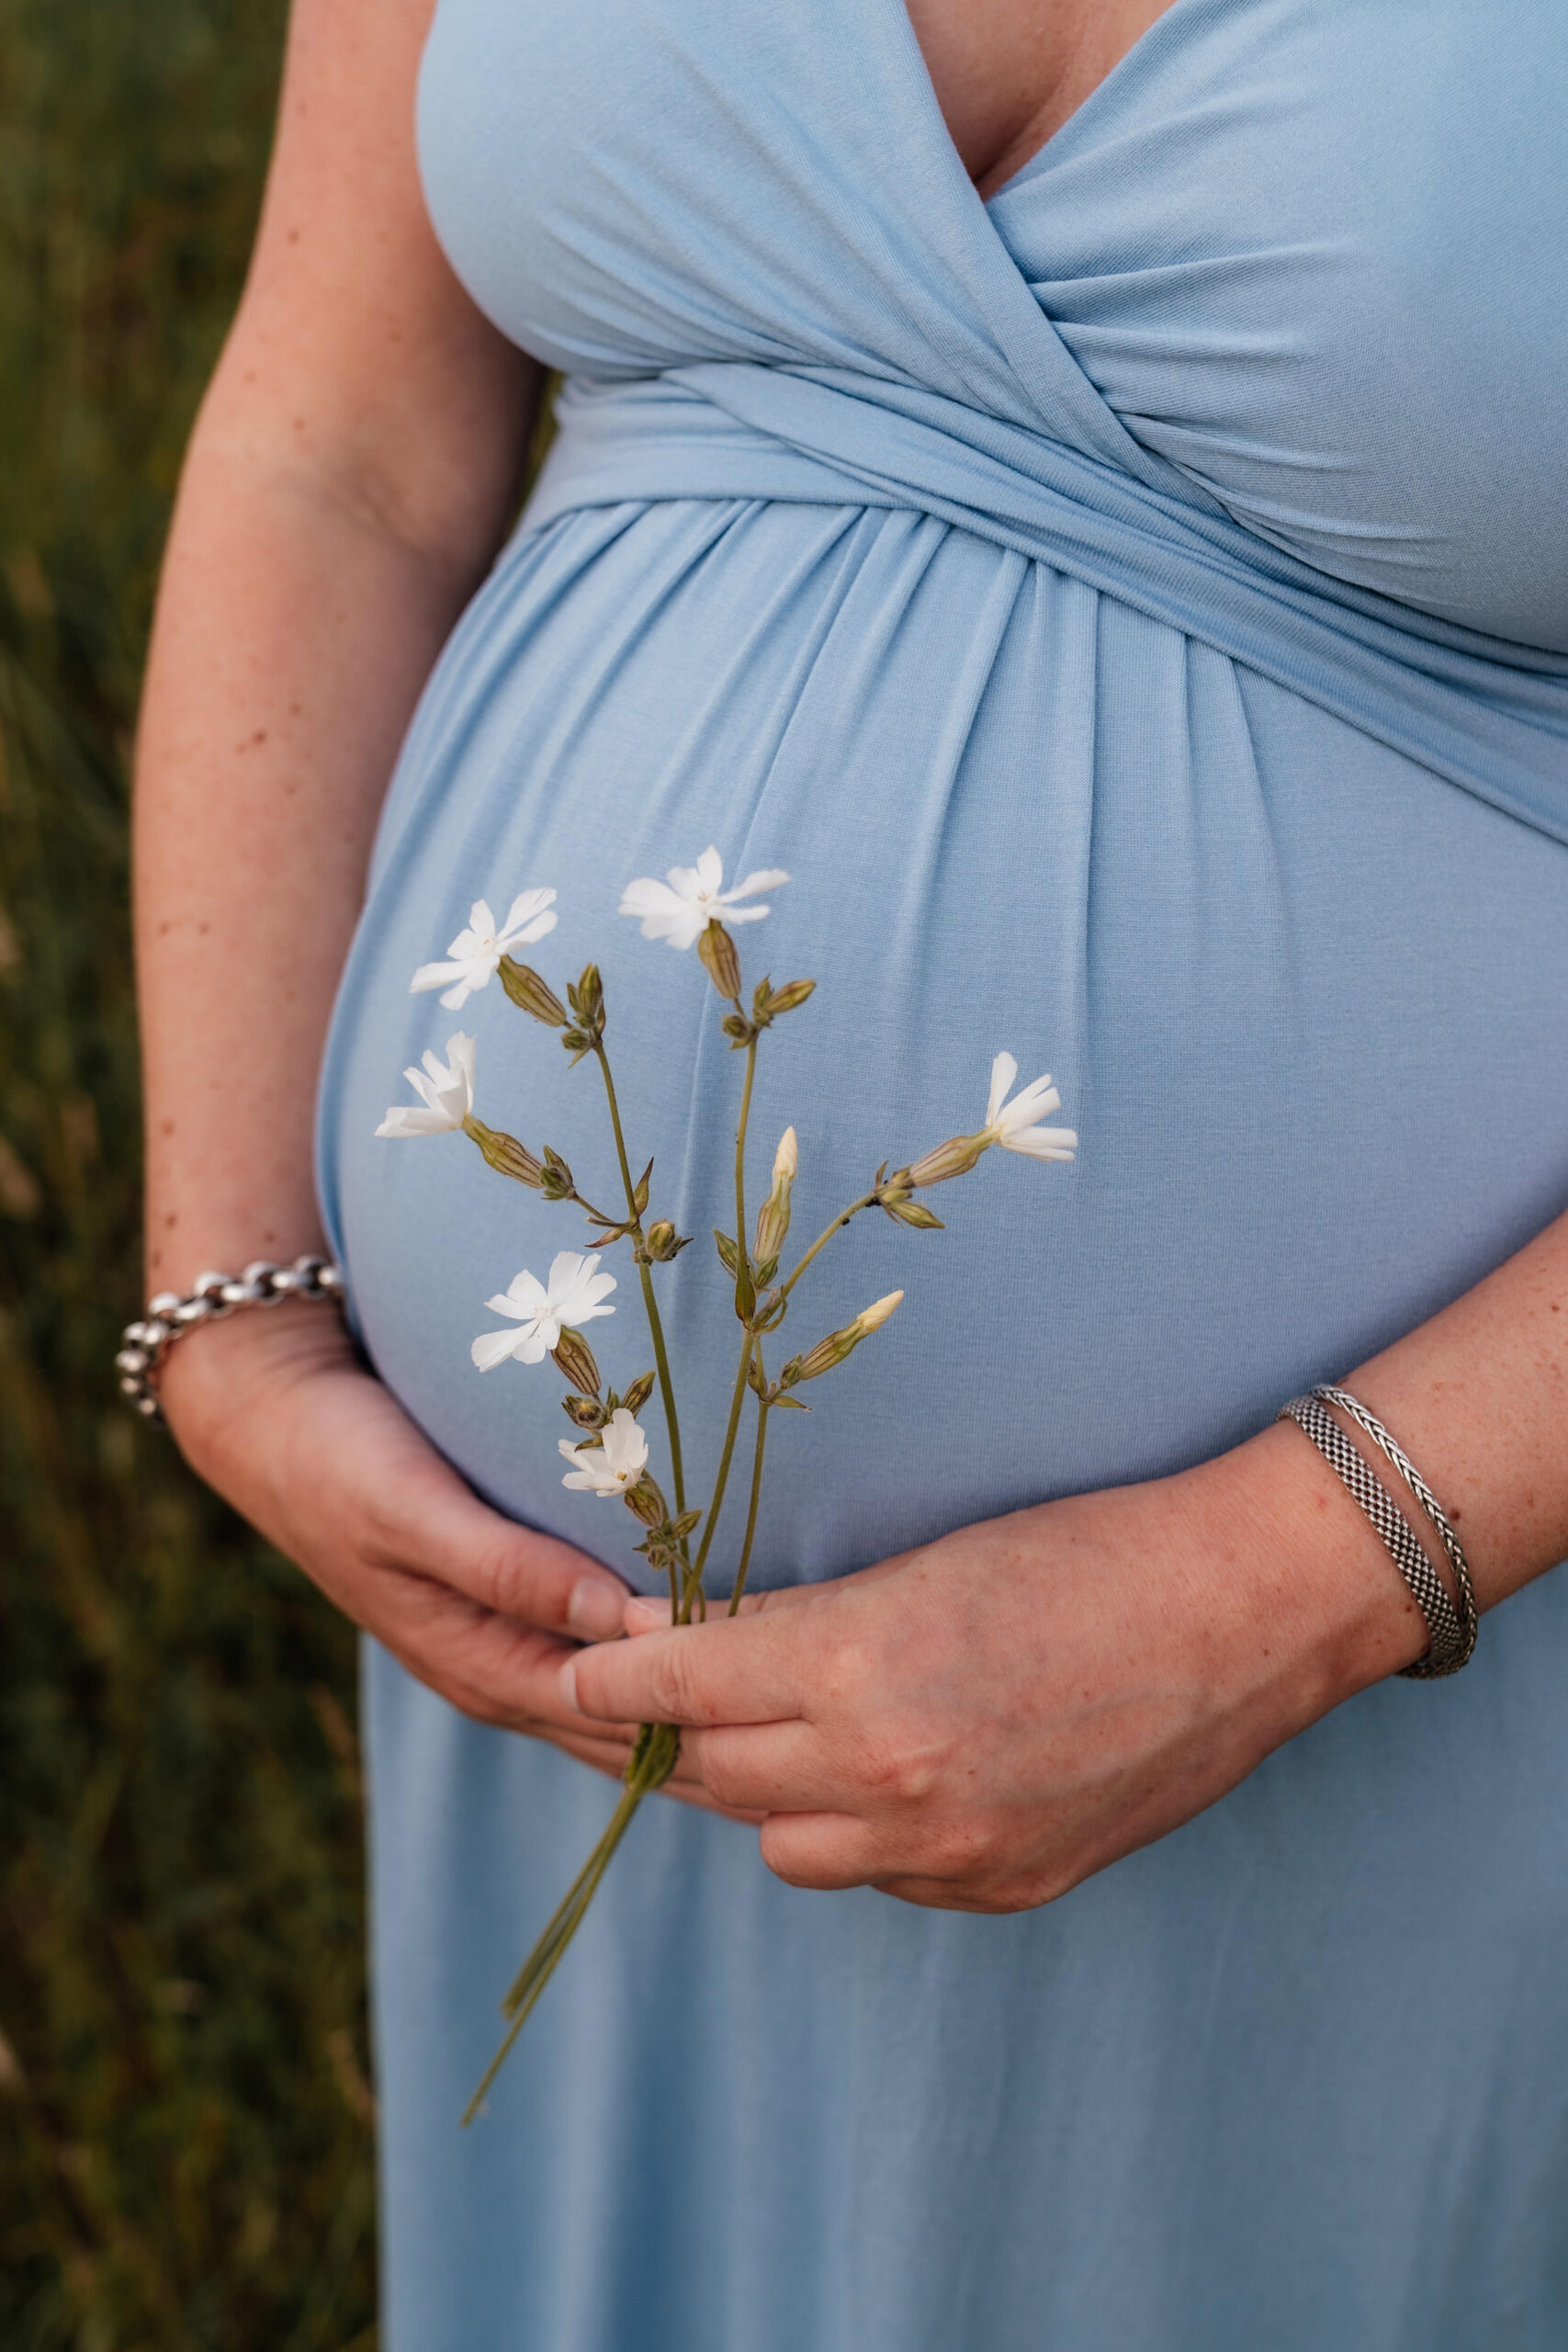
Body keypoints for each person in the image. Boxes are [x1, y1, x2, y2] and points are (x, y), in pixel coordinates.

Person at [134, 0, 1568, 2341]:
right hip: (583, 1674)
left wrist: (1286, 1574)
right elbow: (340, 441)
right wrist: (233, 1296)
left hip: (1419, 1649)